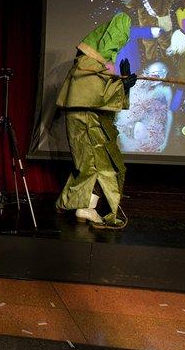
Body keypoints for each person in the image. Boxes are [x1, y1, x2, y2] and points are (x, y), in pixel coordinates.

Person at [54, 13, 137, 229]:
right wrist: (123, 86)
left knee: (93, 165)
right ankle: (85, 208)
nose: (119, 44)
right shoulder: (87, 63)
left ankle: (73, 203)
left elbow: (100, 95)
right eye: (119, 39)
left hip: (89, 122)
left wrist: (121, 84)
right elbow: (95, 96)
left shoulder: (93, 63)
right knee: (100, 166)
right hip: (87, 124)